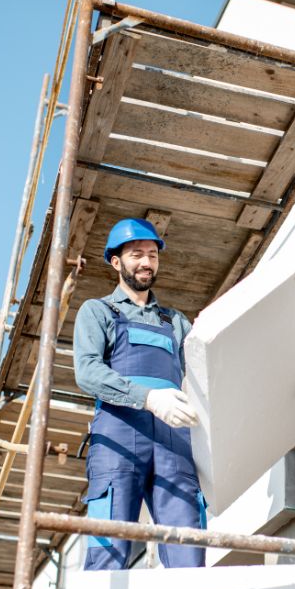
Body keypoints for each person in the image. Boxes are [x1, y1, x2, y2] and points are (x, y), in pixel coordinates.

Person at [73, 218, 205, 570]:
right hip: (118, 438)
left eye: (152, 255)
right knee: (109, 548)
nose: (146, 262)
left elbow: (206, 373)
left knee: (188, 550)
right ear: (116, 262)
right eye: (136, 255)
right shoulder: (99, 311)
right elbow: (87, 372)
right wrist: (148, 398)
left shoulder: (176, 322)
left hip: (173, 440)